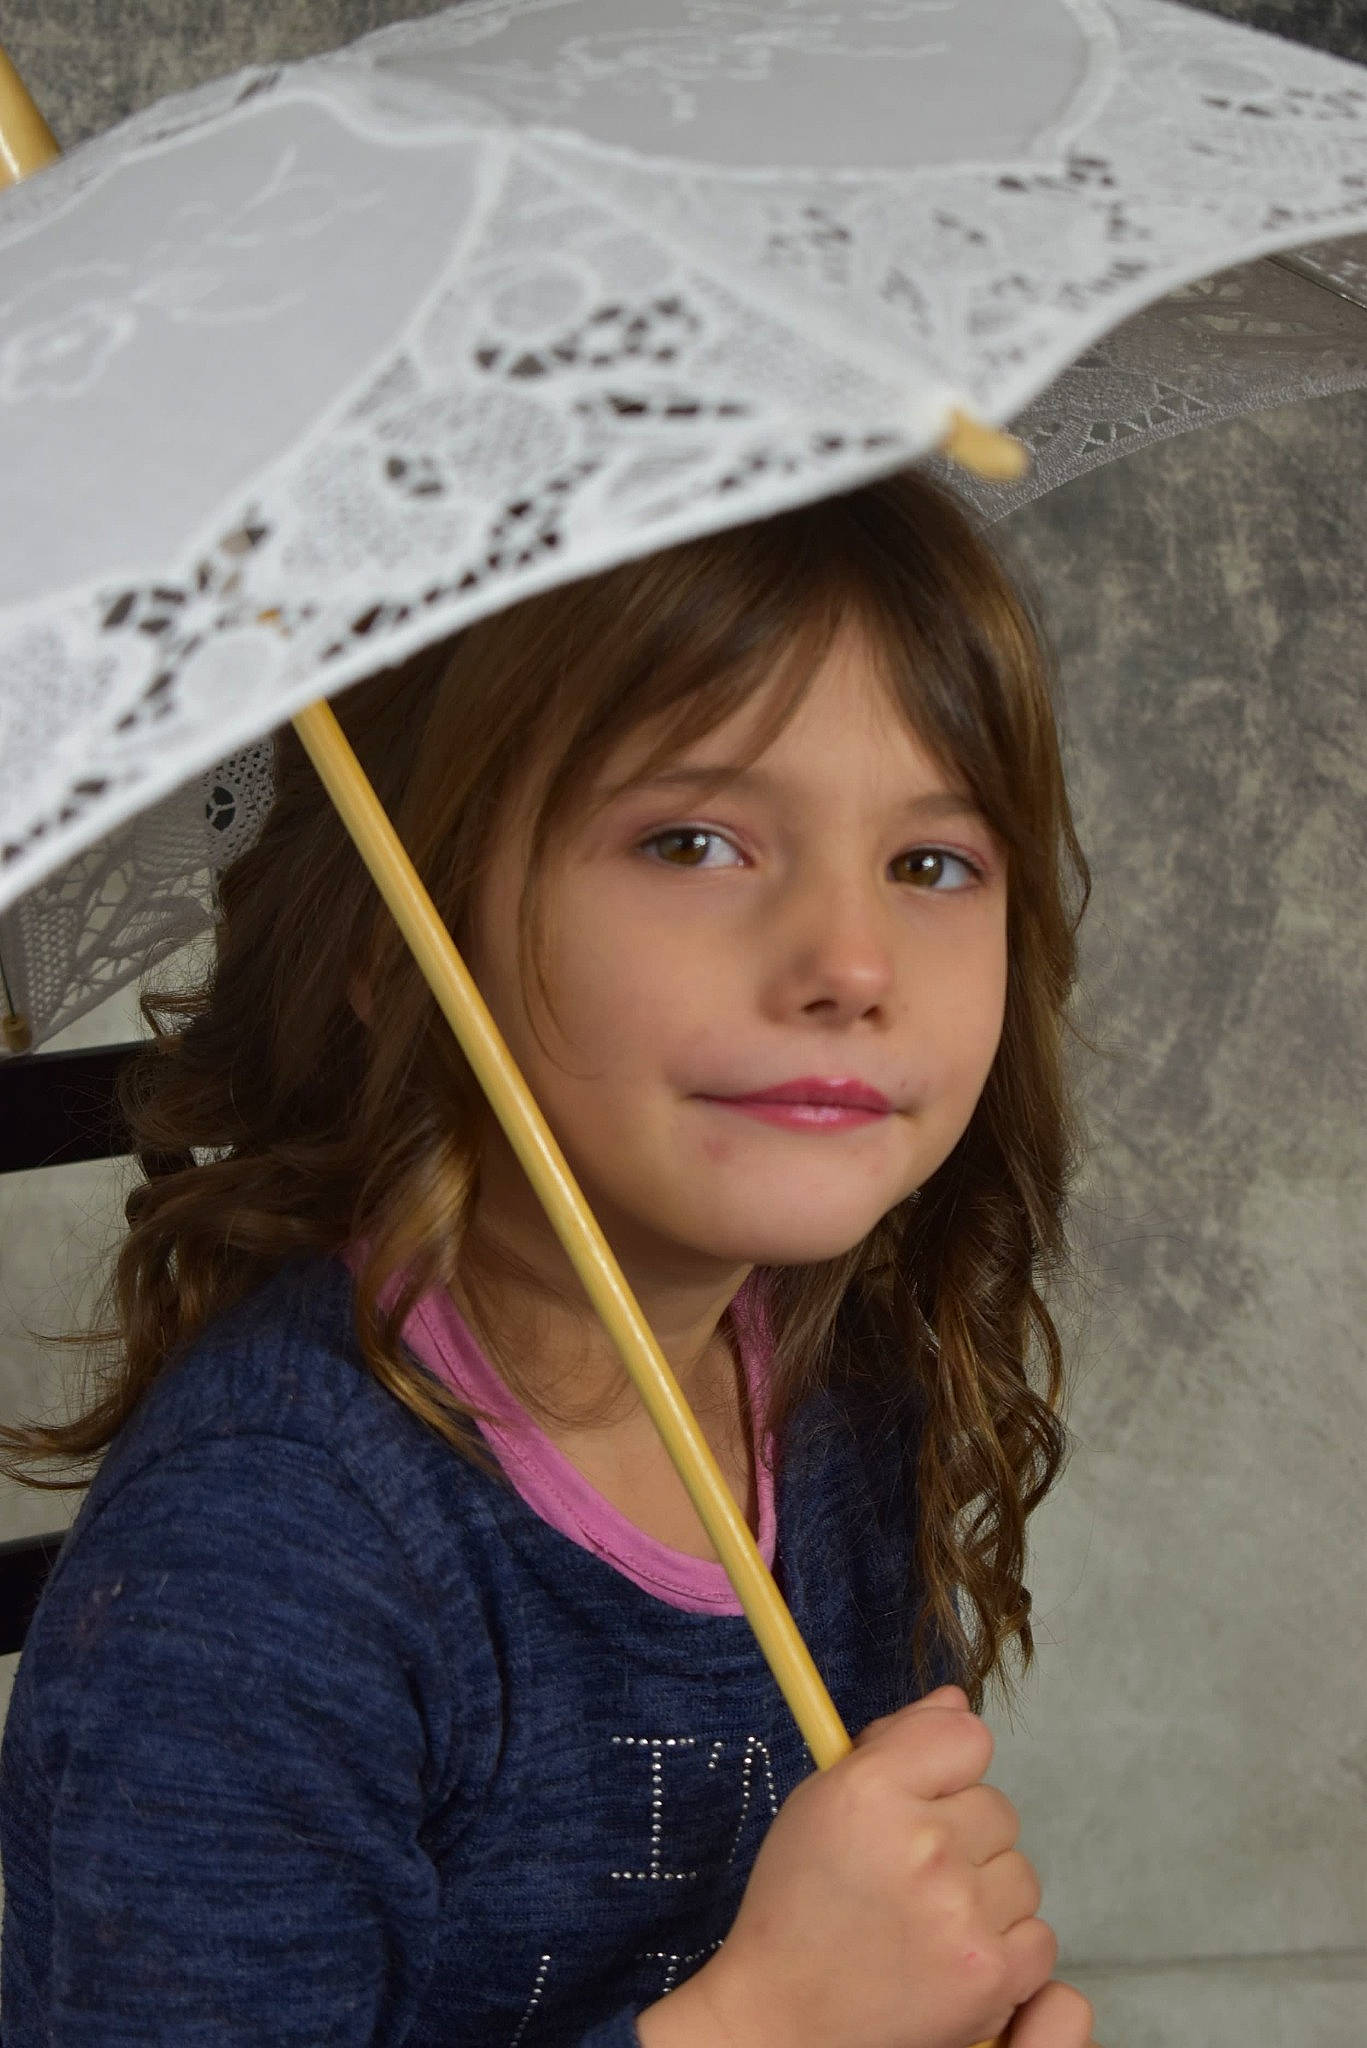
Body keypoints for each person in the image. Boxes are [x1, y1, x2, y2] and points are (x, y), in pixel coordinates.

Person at [0, 467, 1103, 2048]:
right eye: (696, 840)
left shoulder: (844, 1400)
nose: (852, 963)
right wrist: (769, 2029)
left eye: (932, 863)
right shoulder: (270, 1558)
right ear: (398, 948)